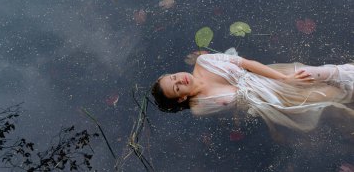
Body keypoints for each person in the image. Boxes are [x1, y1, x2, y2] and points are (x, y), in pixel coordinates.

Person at [151, 49, 354, 132]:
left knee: (322, 74)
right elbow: (232, 113)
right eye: (176, 87)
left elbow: (247, 63)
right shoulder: (200, 107)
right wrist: (271, 128)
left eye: (173, 77)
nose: (180, 80)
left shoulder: (204, 61)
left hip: (269, 77)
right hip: (268, 102)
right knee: (329, 98)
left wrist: (285, 78)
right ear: (181, 98)